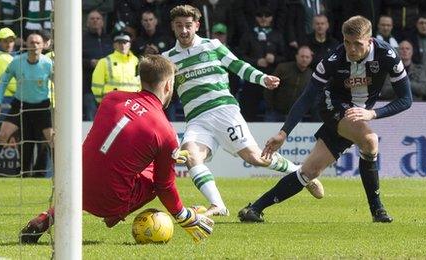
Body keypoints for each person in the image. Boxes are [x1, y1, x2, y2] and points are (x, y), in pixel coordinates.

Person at [19, 55, 214, 244]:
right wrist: (184, 215)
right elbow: (164, 186)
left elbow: (118, 144)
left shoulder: (111, 98)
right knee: (157, 181)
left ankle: (47, 216)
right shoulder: (165, 131)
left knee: (102, 165)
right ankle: (116, 214)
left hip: (73, 185)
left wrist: (169, 156)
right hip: (109, 201)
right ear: (168, 85)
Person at [239, 16, 413, 224]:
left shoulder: (387, 55)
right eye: (347, 42)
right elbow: (307, 97)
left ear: (370, 40)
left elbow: (406, 99)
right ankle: (378, 210)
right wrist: (283, 132)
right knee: (370, 140)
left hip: (360, 114)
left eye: (357, 44)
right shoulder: (334, 58)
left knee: (309, 172)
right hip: (333, 105)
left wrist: (372, 113)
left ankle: (254, 209)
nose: (351, 49)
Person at [162, 5, 323, 217]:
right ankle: (218, 205)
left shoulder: (212, 46)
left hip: (223, 111)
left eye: (188, 26)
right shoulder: (168, 58)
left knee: (255, 157)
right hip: (197, 120)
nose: (184, 31)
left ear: (197, 26)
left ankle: (299, 172)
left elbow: (238, 66)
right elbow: (162, 92)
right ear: (173, 27)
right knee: (192, 157)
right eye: (179, 26)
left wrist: (262, 78)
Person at [0, 31, 53, 177]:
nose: (34, 45)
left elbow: (59, 84)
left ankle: (49, 174)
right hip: (20, 105)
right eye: (31, 42)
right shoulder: (17, 61)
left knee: (50, 140)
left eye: (37, 43)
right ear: (26, 44)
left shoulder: (48, 64)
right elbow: (4, 81)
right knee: (3, 135)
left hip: (41, 106)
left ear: (43, 45)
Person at [264, 46, 317, 122]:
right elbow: (269, 87)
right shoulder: (283, 68)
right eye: (302, 56)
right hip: (275, 113)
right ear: (297, 56)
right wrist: (270, 107)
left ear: (311, 59)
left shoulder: (311, 75)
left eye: (307, 57)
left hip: (296, 115)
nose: (304, 59)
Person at [91, 32, 140, 104]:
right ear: (114, 45)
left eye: (125, 42)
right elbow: (97, 84)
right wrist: (101, 102)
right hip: (112, 102)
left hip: (132, 103)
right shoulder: (104, 61)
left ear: (130, 44)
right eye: (119, 43)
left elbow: (140, 83)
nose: (122, 45)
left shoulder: (136, 61)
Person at [82, 10, 113, 120]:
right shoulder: (81, 40)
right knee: (91, 120)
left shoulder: (109, 39)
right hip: (88, 87)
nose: (95, 20)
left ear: (102, 22)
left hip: (108, 88)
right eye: (92, 18)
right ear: (87, 23)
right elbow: (75, 59)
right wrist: (90, 63)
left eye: (98, 18)